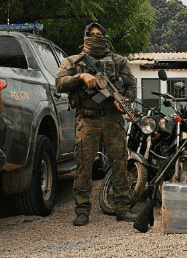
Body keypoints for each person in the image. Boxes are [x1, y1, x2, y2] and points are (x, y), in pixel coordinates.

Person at [56, 23, 138, 226]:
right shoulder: (73, 61)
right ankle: (82, 211)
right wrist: (81, 76)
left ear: (105, 36)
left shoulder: (119, 61)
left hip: (113, 118)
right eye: (91, 35)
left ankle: (123, 208)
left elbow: (130, 86)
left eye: (99, 34)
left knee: (120, 163)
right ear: (85, 37)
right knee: (84, 165)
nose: (95, 37)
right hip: (87, 118)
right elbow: (59, 83)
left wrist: (125, 101)